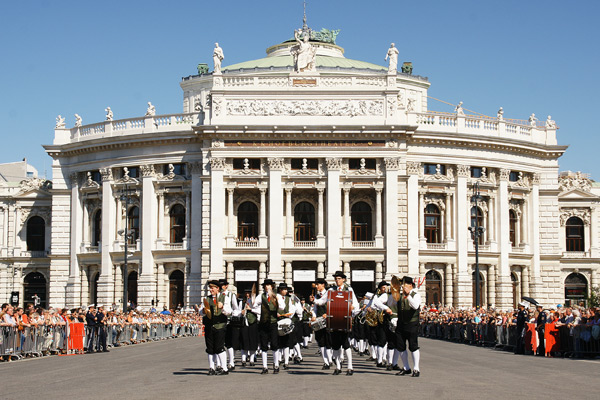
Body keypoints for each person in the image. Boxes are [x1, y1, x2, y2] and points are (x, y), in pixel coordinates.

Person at [314, 271, 359, 375]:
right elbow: (322, 301)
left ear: (343, 279)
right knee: (335, 345)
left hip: (344, 320)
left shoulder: (349, 290)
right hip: (333, 320)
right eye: (336, 279)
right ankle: (338, 366)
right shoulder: (330, 290)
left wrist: (352, 311)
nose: (337, 280)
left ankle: (350, 366)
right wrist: (314, 301)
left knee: (346, 344)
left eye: (339, 278)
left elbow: (356, 305)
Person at [200, 280, 232, 375]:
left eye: (212, 288)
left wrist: (222, 308)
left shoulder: (224, 298)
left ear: (217, 288)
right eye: (210, 288)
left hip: (220, 326)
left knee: (219, 347)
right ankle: (211, 367)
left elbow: (229, 311)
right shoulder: (206, 299)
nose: (210, 290)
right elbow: (201, 312)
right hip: (209, 326)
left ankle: (224, 368)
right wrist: (203, 311)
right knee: (210, 347)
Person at [252, 278, 280, 374]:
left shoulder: (277, 296)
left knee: (274, 344)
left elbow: (282, 307)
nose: (267, 287)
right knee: (263, 345)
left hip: (273, 322)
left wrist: (276, 301)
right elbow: (254, 306)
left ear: (272, 286)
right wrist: (261, 311)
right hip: (263, 323)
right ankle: (265, 366)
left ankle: (276, 365)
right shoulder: (261, 296)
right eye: (265, 285)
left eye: (268, 285)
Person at [395, 276, 422, 377]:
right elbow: (392, 305)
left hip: (412, 323)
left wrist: (408, 296)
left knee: (413, 346)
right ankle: (406, 367)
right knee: (400, 346)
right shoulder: (399, 296)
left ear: (411, 285)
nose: (402, 286)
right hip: (401, 323)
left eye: (405, 284)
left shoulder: (416, 295)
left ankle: (416, 368)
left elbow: (415, 306)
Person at [311, 278, 332, 369]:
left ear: (323, 285)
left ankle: (331, 359)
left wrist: (328, 314)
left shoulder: (329, 293)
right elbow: (315, 308)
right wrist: (314, 316)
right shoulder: (316, 295)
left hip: (328, 320)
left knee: (329, 340)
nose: (316, 286)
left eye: (318, 284)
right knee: (320, 341)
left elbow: (331, 306)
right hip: (319, 319)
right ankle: (326, 362)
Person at [240, 288, 259, 367]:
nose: (247, 295)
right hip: (244, 323)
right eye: (246, 293)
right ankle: (243, 359)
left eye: (249, 293)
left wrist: (250, 309)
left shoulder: (255, 302)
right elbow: (237, 311)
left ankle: (251, 359)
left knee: (253, 341)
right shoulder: (242, 302)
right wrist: (241, 312)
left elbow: (259, 311)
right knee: (244, 341)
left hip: (253, 322)